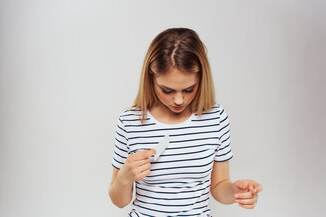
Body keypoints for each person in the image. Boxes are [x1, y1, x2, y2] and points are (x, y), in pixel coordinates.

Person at [108, 28, 262, 216]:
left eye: (189, 89)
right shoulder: (130, 122)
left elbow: (219, 186)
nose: (179, 100)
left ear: (201, 79)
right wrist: (125, 177)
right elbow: (119, 201)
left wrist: (236, 192)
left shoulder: (216, 118)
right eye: (167, 90)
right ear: (151, 79)